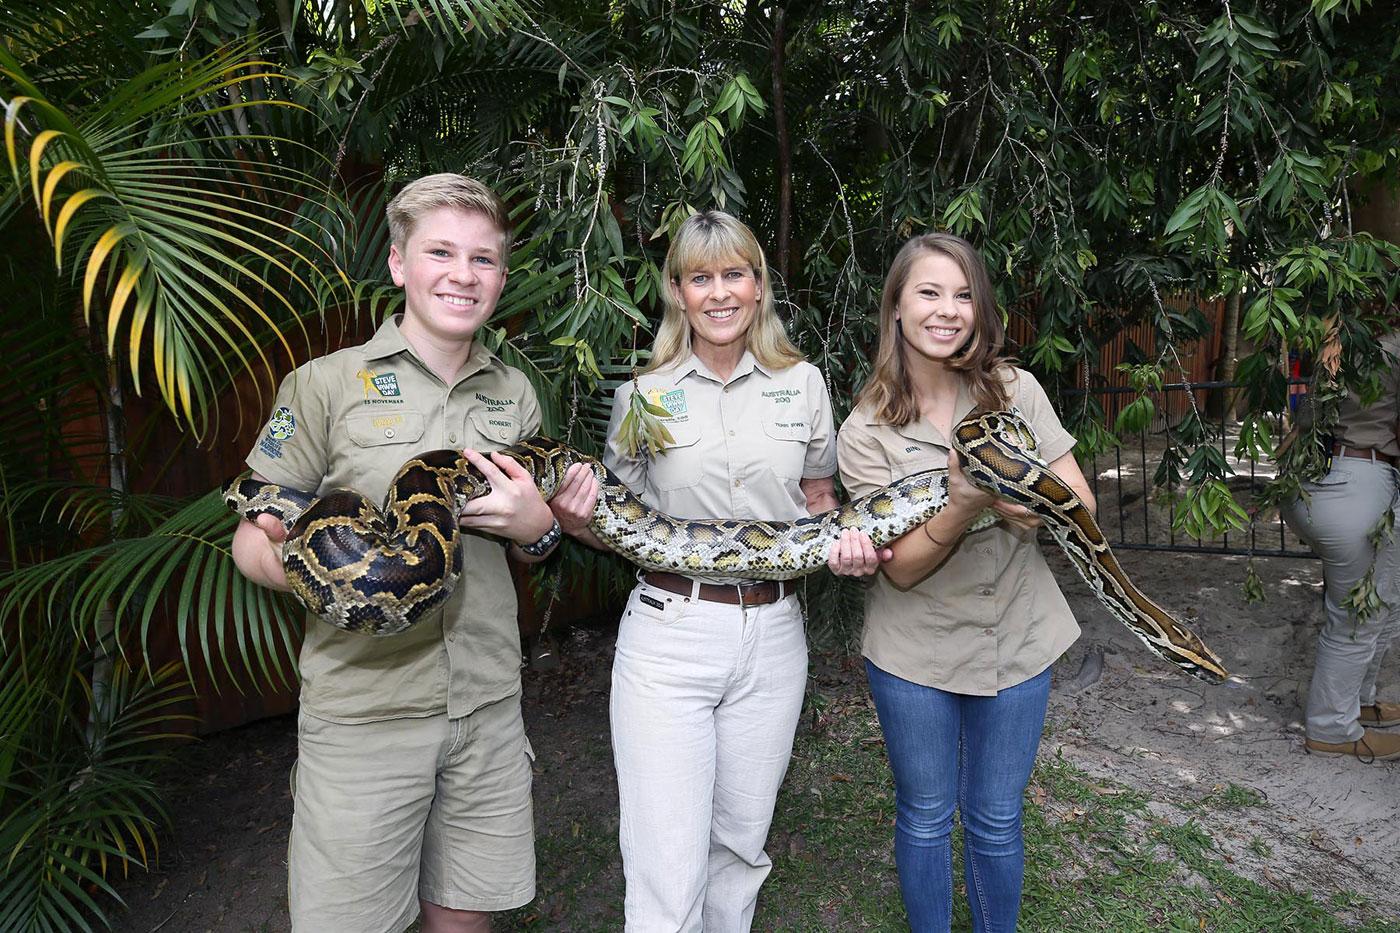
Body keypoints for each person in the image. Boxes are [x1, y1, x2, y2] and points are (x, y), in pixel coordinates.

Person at [231, 173, 561, 933]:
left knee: (464, 918)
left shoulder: (516, 394)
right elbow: (252, 529)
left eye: (482, 259)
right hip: (364, 714)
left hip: (484, 704)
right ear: (398, 263)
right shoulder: (322, 385)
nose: (462, 274)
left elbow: (535, 546)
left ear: (501, 278)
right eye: (441, 251)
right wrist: (319, 567)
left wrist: (539, 527)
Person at [548, 209, 884, 931]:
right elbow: (622, 525)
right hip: (671, 632)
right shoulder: (642, 396)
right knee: (667, 860)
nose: (720, 292)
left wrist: (846, 543)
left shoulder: (804, 385)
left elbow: (819, 497)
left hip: (773, 633)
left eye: (735, 273)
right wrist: (581, 520)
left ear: (759, 286)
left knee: (739, 843)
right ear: (678, 291)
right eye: (702, 277)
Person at [835, 232, 1094, 933]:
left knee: (997, 818)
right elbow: (907, 566)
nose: (947, 310)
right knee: (924, 814)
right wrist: (966, 500)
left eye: (962, 294)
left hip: (1018, 633)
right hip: (914, 648)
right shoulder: (865, 430)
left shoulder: (1015, 391)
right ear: (895, 307)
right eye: (928, 292)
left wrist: (1025, 505)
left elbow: (1080, 503)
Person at [1280, 328, 1400, 763]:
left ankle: (1357, 702)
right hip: (1359, 483)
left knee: (1383, 602)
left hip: (1310, 481)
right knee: (1358, 618)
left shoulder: (1337, 334)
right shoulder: (1394, 345)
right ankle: (1332, 728)